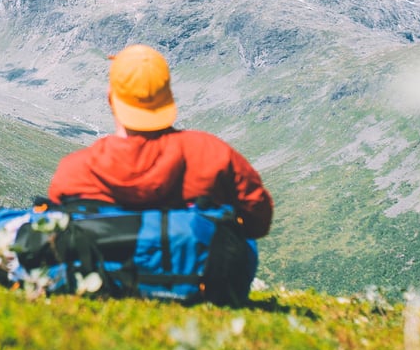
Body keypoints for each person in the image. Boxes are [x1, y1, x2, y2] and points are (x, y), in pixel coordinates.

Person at [47, 44, 273, 240]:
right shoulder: (212, 153)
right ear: (168, 96)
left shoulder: (74, 170)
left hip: (103, 284)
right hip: (198, 286)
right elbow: (258, 221)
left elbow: (57, 229)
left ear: (110, 98)